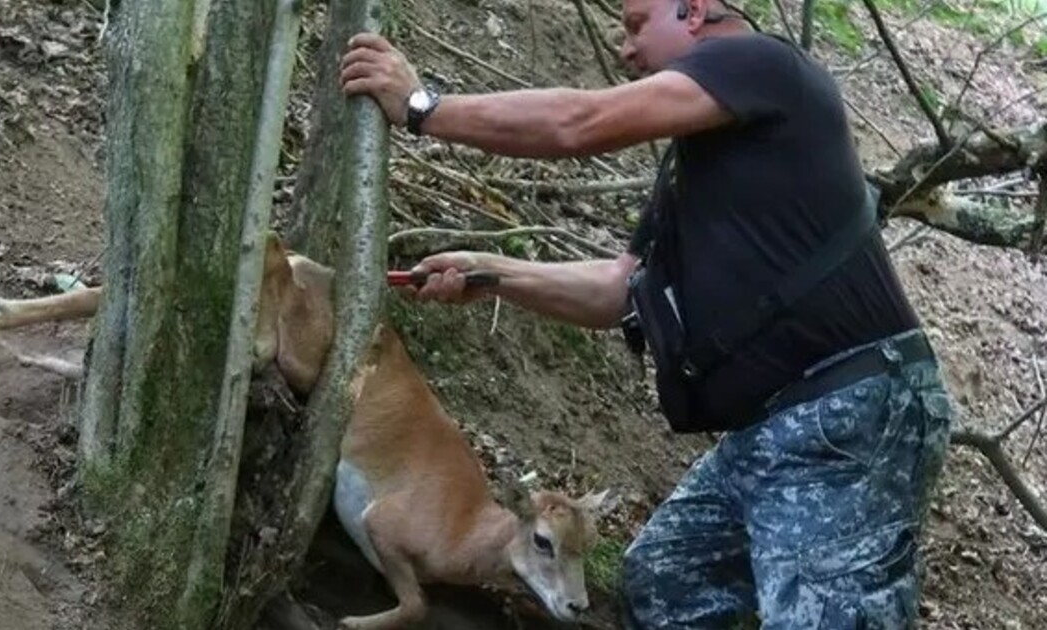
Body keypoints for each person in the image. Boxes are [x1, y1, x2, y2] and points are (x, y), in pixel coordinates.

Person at [339, 0, 955, 627]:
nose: (623, 47)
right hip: (767, 431)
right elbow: (619, 288)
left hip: (849, 412)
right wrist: (492, 272)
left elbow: (581, 121)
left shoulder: (762, 61)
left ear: (694, 12)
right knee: (665, 582)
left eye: (636, 24)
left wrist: (424, 107)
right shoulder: (699, 166)